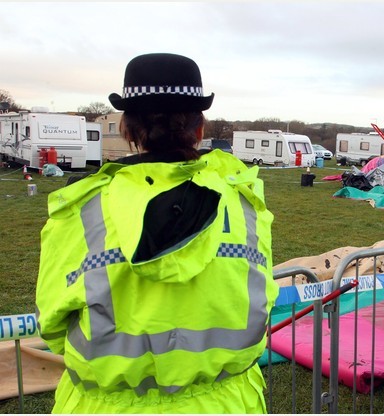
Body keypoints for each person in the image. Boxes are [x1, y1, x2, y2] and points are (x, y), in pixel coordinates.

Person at [35, 53, 279, 413]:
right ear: (199, 128)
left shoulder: (80, 209)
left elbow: (52, 324)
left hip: (107, 405)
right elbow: (262, 302)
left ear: (128, 129)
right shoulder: (245, 203)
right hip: (226, 403)